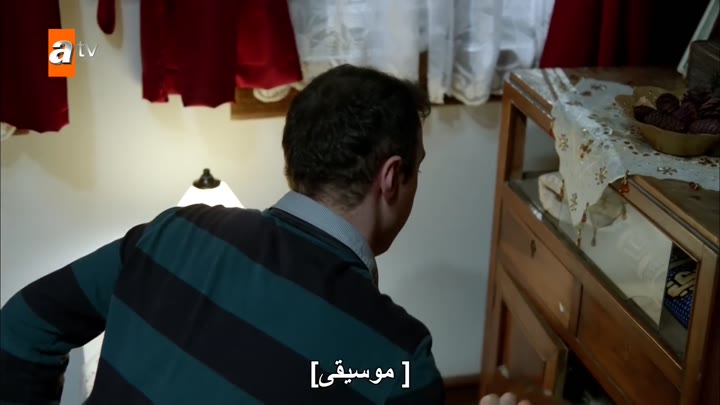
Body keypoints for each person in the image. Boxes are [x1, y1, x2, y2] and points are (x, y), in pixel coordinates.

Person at [0, 64, 528, 405]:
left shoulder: (172, 230)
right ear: (391, 178)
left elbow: (19, 328)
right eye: (418, 168)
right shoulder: (398, 361)